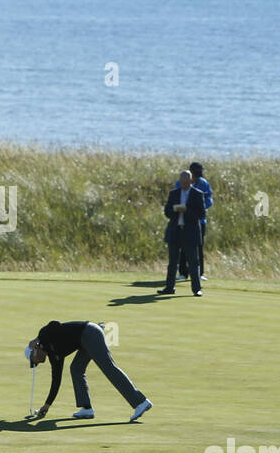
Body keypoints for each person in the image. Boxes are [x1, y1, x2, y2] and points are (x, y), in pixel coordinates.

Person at [25, 321, 154, 422]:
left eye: (34, 361)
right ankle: (87, 408)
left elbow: (54, 324)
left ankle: (140, 402)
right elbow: (56, 380)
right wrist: (47, 405)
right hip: (84, 342)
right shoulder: (54, 357)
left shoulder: (44, 336)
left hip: (89, 332)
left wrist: (37, 338)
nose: (37, 363)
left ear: (34, 350)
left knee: (108, 367)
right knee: (76, 369)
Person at [158, 170, 205, 296]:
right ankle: (169, 287)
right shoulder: (173, 193)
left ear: (191, 181)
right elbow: (167, 212)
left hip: (190, 232)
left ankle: (197, 289)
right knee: (172, 262)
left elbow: (201, 214)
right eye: (181, 181)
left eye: (185, 181)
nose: (182, 184)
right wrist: (175, 210)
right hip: (175, 231)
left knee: (193, 262)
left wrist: (186, 210)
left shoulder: (197, 194)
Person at [177, 161, 212, 279]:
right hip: (183, 220)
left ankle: (199, 273)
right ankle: (183, 273)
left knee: (198, 246)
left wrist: (198, 210)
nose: (197, 177)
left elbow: (209, 201)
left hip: (199, 221)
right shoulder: (181, 182)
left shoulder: (203, 183)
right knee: (183, 246)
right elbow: (176, 198)